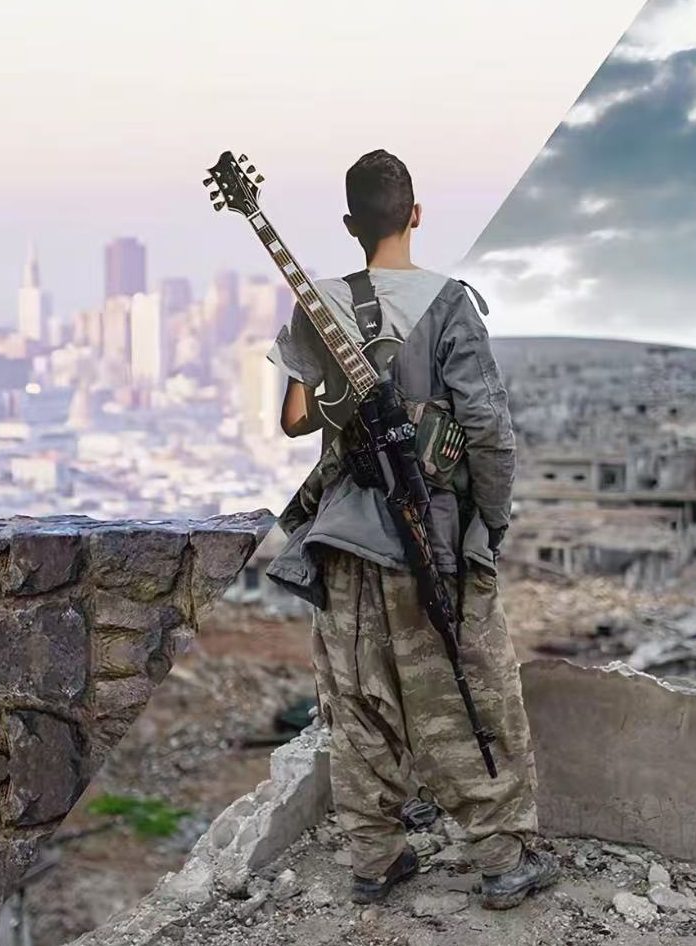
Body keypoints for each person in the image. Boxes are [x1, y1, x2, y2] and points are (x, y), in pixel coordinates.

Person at [266, 149, 556, 910]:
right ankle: (500, 859)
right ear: (415, 215)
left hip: (340, 541)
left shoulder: (318, 304)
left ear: (350, 225)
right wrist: (488, 525)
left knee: (356, 702)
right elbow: (488, 429)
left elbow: (294, 420)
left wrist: (346, 405)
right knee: (464, 695)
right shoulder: (449, 303)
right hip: (424, 537)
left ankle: (375, 860)